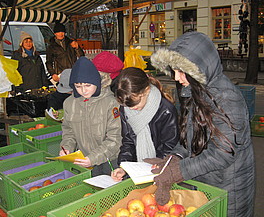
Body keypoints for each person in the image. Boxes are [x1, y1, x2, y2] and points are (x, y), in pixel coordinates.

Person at [148, 31, 255, 217]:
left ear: (199, 69)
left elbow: (223, 154)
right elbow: (188, 138)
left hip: (228, 188)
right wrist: (173, 157)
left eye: (181, 71)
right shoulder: (193, 92)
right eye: (173, 70)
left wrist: (178, 171)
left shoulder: (226, 99)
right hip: (205, 183)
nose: (175, 77)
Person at [111, 67, 179, 182]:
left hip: (160, 169)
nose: (132, 109)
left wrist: (157, 165)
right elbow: (128, 141)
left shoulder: (166, 110)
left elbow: (170, 146)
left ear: (146, 91)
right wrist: (124, 167)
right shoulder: (125, 108)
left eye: (136, 103)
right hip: (138, 170)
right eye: (128, 106)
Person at [59, 56, 122, 177]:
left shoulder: (111, 103)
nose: (83, 91)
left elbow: (115, 138)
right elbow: (69, 131)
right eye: (78, 86)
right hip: (83, 160)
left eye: (88, 85)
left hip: (110, 160)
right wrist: (66, 147)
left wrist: (93, 158)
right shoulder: (69, 103)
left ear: (96, 82)